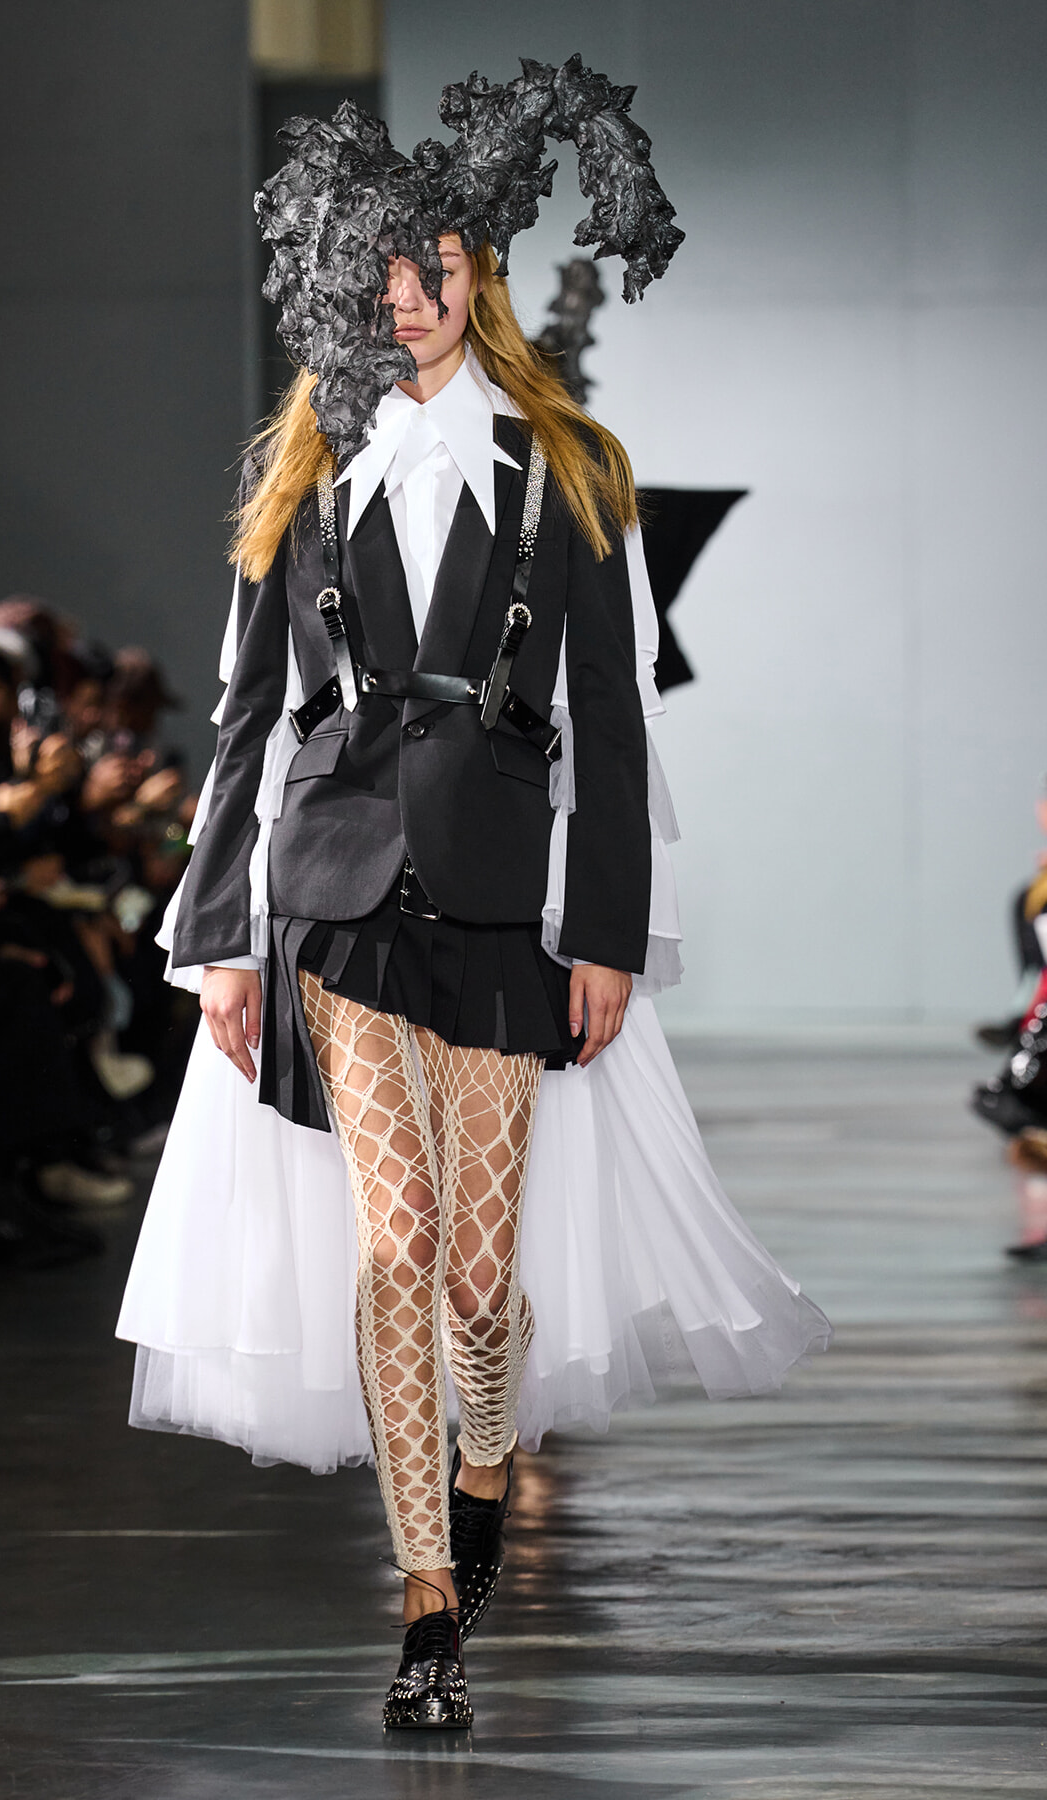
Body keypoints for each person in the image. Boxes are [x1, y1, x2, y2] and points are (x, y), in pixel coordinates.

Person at [118, 55, 830, 1731]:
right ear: (344, 283)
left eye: (435, 262)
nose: (410, 292)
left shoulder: (571, 465)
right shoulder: (299, 478)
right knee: (399, 1241)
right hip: (340, 898)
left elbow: (616, 717)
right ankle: (429, 1600)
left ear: (476, 277)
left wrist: (609, 937)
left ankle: (490, 1451)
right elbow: (250, 720)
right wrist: (217, 940)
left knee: (476, 1282)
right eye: (381, 265)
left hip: (511, 904)